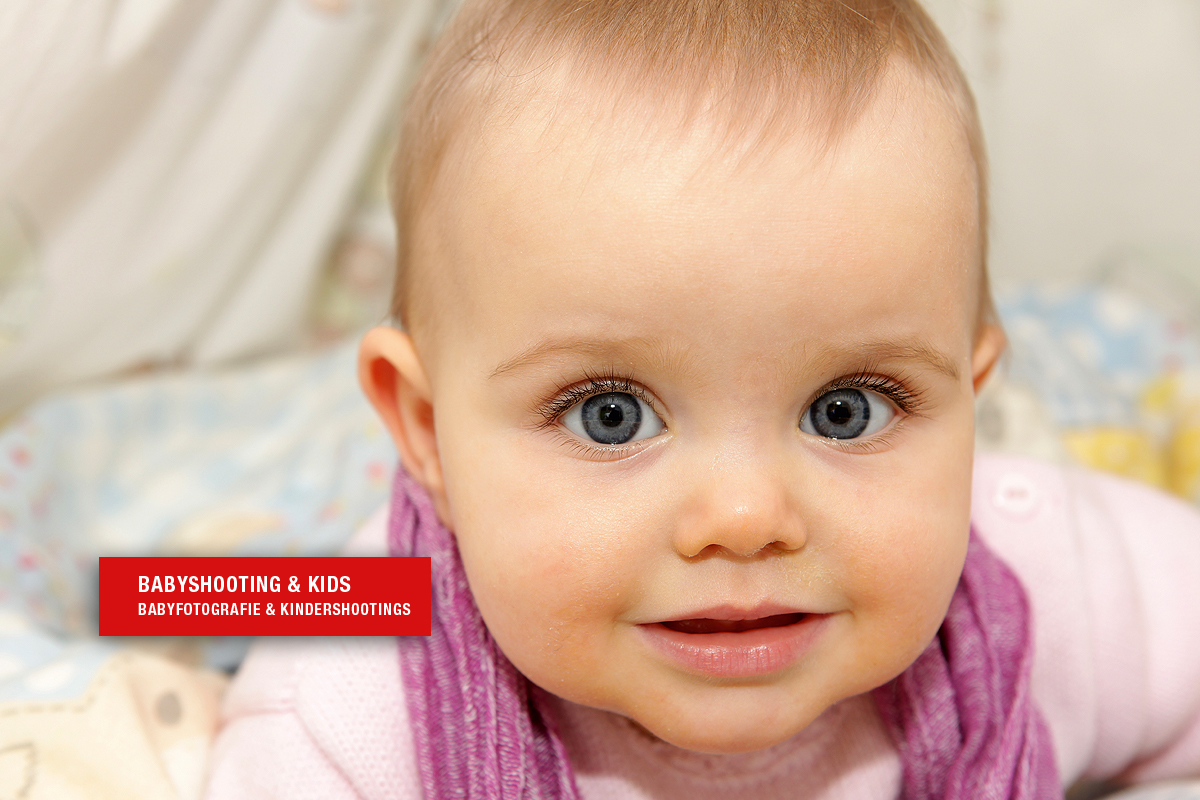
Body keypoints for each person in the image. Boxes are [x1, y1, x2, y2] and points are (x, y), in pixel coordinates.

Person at [202, 1, 1200, 797]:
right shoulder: (345, 713)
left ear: (970, 409)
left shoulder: (1045, 584)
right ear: (425, 429)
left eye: (847, 407)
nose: (745, 515)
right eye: (611, 413)